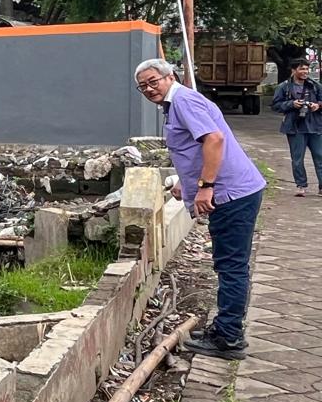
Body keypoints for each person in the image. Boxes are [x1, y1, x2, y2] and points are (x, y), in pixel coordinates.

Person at [135, 58, 265, 360]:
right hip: (236, 190)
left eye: (153, 81)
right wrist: (186, 181)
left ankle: (229, 339)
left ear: (170, 77)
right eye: (143, 86)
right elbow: (195, 147)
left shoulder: (183, 101)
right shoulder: (177, 103)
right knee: (230, 264)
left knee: (231, 266)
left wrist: (206, 186)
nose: (149, 89)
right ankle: (225, 329)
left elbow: (214, 140)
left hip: (231, 194)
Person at [271, 57, 322, 197]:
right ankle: (301, 185)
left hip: (315, 126)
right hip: (295, 127)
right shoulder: (284, 87)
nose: (305, 72)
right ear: (294, 70)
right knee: (297, 159)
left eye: (307, 69)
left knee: (320, 157)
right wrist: (291, 104)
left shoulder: (315, 85)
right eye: (302, 69)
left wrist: (317, 105)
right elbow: (275, 105)